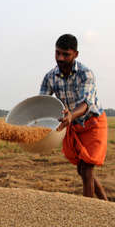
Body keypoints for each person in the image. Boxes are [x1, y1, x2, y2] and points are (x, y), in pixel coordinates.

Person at [40, 34, 108, 200]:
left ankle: (87, 211)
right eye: (57, 53)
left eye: (66, 54)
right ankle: (106, 204)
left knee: (87, 168)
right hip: (71, 124)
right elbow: (42, 102)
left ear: (75, 54)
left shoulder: (85, 74)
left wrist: (71, 115)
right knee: (82, 169)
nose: (60, 58)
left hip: (92, 123)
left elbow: (86, 103)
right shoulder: (50, 77)